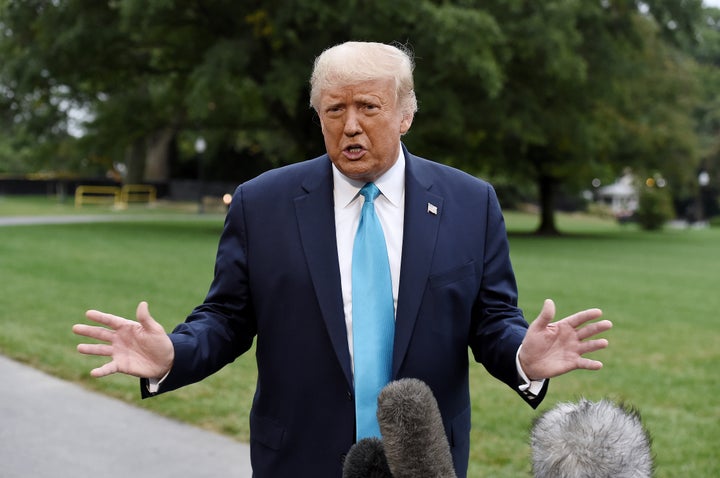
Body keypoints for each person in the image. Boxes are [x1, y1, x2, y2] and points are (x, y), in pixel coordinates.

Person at [73, 41, 612, 478]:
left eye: (368, 107)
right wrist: (172, 354)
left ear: (405, 114)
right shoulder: (262, 204)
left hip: (423, 460)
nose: (350, 125)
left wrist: (524, 357)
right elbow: (228, 318)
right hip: (299, 459)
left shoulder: (470, 203)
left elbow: (491, 321)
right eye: (335, 109)